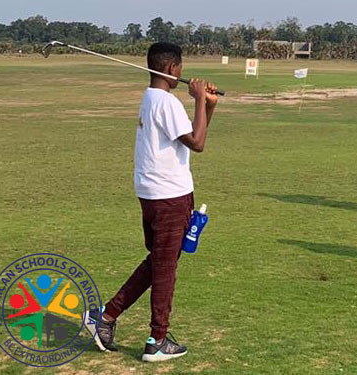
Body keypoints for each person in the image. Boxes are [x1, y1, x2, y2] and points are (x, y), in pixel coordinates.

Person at [84, 42, 219, 362]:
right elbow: (198, 144)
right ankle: (156, 341)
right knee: (165, 269)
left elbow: (191, 136)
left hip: (153, 194)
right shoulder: (167, 103)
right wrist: (198, 98)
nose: (182, 75)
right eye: (181, 70)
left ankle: (105, 316)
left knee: (159, 262)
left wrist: (207, 105)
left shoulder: (151, 98)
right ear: (173, 69)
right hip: (170, 197)